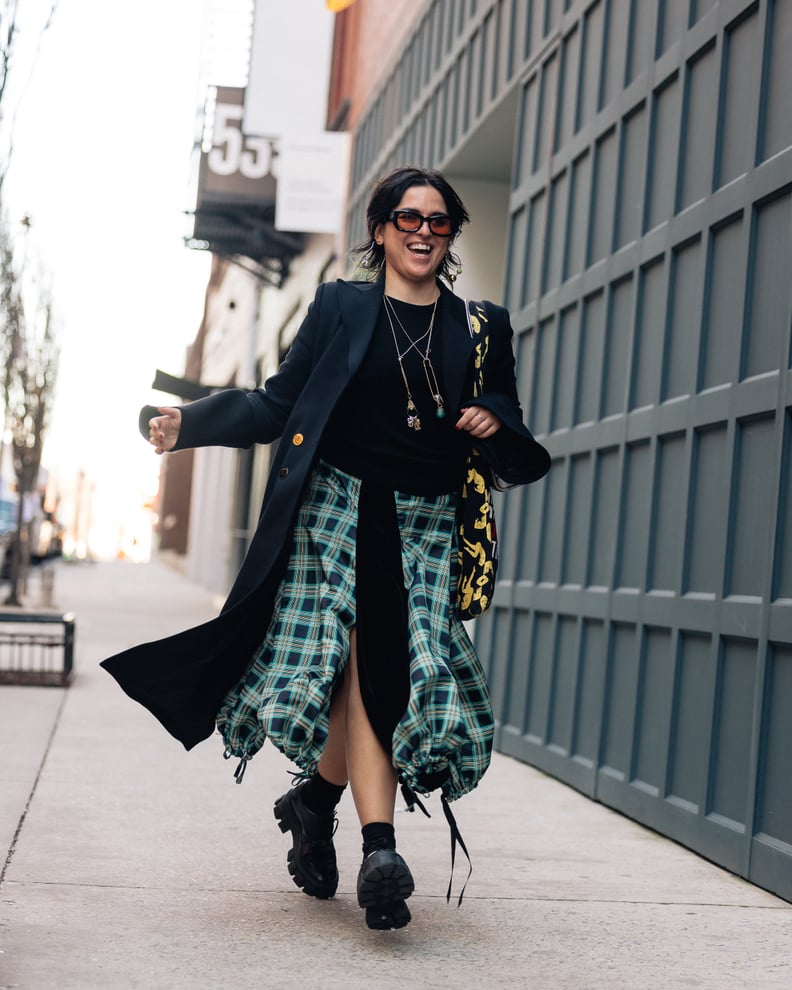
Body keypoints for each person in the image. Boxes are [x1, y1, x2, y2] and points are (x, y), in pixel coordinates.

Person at [101, 166, 550, 931]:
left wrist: (490, 421)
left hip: (428, 524)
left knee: (393, 672)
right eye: (407, 218)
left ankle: (314, 801)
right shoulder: (344, 306)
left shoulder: (481, 327)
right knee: (362, 667)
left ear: (450, 238)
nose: (423, 232)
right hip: (337, 510)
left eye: (439, 222)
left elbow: (508, 421)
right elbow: (276, 403)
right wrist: (190, 424)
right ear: (380, 230)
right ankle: (382, 850)